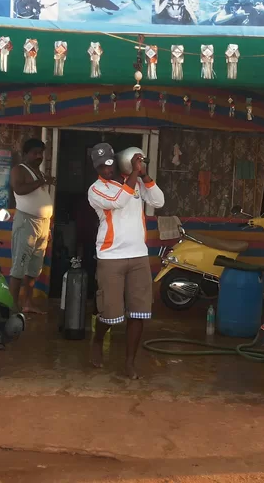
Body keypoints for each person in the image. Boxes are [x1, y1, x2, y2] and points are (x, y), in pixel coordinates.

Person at [86, 144, 164, 379]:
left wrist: (144, 174)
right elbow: (119, 201)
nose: (106, 169)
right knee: (110, 313)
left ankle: (129, 362)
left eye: (109, 163)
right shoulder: (96, 189)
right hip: (111, 257)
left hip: (139, 255)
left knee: (139, 313)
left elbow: (159, 201)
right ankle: (98, 340)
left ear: (116, 162)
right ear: (95, 167)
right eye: (101, 166)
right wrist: (134, 174)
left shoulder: (135, 182)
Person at [9, 138, 54, 315]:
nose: (38, 156)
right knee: (19, 266)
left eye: (40, 153)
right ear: (25, 154)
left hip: (43, 224)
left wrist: (48, 226)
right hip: (27, 222)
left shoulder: (38, 172)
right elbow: (19, 189)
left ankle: (27, 302)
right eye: (35, 153)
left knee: (34, 268)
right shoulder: (19, 170)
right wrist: (42, 181)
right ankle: (13, 305)